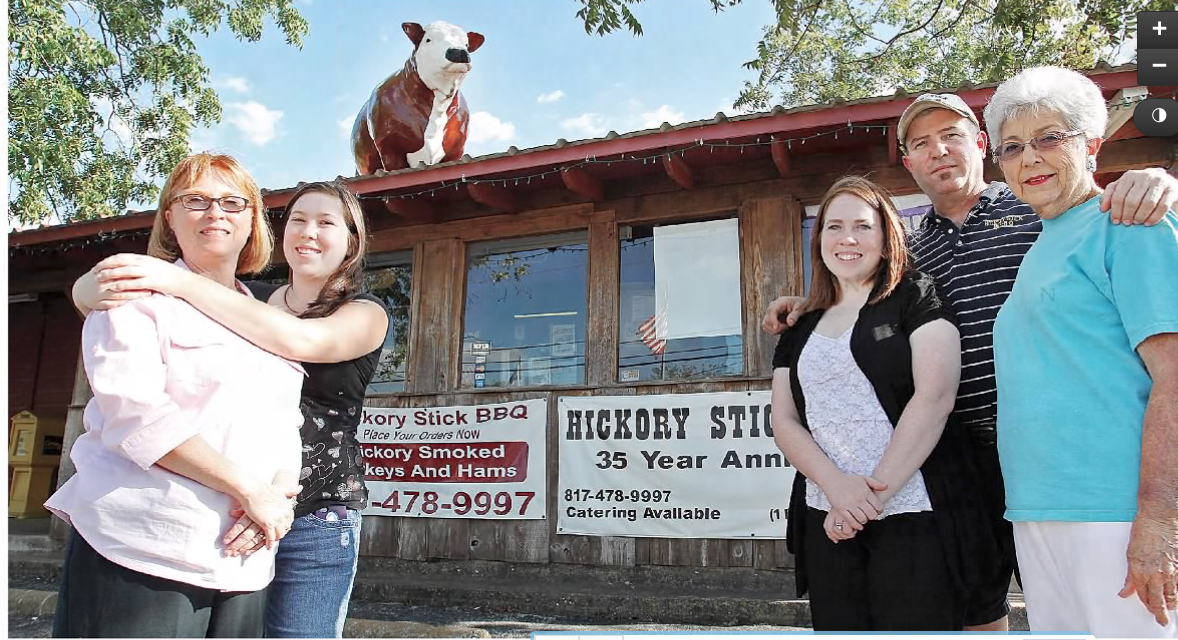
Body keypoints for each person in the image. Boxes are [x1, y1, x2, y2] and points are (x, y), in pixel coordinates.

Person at [763, 89, 1178, 632]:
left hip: (1069, 459)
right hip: (956, 453)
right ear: (908, 163)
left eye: (951, 136)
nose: (939, 151)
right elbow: (859, 289)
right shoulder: (909, 252)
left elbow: (1097, 208)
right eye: (921, 144)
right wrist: (809, 304)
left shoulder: (1039, 208)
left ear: (982, 146)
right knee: (981, 607)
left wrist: (1153, 181)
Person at [71, 180, 391, 638]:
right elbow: (118, 306)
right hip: (228, 503)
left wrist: (177, 279)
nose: (308, 232)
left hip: (315, 516)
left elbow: (301, 340)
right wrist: (87, 290)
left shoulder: (366, 312)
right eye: (297, 220)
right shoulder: (246, 299)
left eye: (326, 223)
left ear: (351, 241)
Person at [45, 152, 305, 638]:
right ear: (169, 216)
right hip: (144, 544)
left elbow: (286, 421)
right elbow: (137, 418)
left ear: (252, 220)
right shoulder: (133, 297)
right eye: (196, 201)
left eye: (232, 202)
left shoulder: (269, 317)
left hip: (243, 558)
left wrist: (276, 497)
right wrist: (249, 491)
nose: (215, 213)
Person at [984, 66, 1178, 637]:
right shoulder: (1040, 246)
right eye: (1013, 146)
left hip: (1116, 513)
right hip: (1037, 509)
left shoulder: (1131, 221)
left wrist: (1162, 518)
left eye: (1050, 137)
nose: (1030, 157)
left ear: (1092, 144)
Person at [771, 175, 994, 630]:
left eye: (862, 226)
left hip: (917, 513)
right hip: (827, 514)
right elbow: (784, 418)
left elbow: (934, 398)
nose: (847, 238)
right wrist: (836, 487)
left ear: (886, 235)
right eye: (833, 227)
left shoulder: (915, 295)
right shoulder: (800, 323)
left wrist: (867, 501)